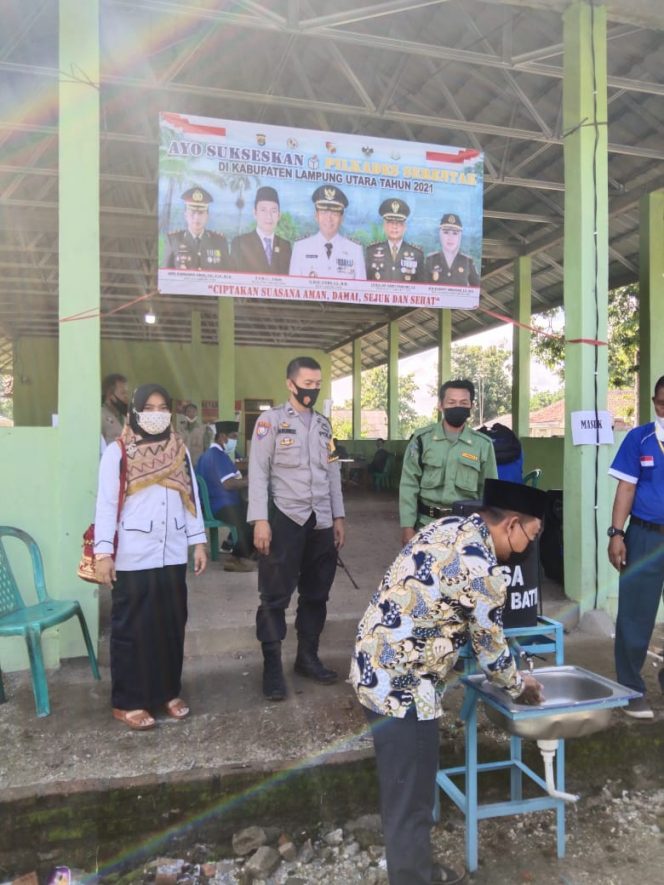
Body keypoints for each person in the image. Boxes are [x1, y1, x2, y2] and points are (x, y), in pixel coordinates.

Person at [350, 478, 547, 885]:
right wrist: (521, 686)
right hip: (404, 689)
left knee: (404, 786)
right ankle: (412, 877)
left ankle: (416, 868)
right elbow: (493, 654)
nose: (530, 546)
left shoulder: (446, 526)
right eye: (532, 535)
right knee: (411, 796)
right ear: (512, 524)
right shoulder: (484, 570)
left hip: (373, 664)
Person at [93, 383, 208, 730]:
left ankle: (167, 692)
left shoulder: (178, 450)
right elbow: (106, 504)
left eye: (162, 408)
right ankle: (129, 701)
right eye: (149, 408)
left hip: (171, 553)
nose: (156, 415)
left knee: (171, 625)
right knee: (133, 629)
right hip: (133, 555)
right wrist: (103, 552)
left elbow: (191, 498)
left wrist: (198, 542)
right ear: (135, 412)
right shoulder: (118, 452)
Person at [248, 356, 345, 701]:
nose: (312, 390)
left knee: (316, 594)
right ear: (290, 384)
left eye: (317, 384)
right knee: (274, 597)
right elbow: (258, 472)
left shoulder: (324, 425)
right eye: (307, 384)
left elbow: (333, 473)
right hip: (285, 519)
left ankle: (307, 658)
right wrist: (260, 519)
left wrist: (338, 516)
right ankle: (272, 666)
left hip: (321, 521)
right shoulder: (270, 421)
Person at [608, 374, 664, 719]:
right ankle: (630, 689)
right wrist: (616, 534)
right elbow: (626, 489)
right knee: (636, 614)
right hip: (645, 537)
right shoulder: (639, 439)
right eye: (663, 403)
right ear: (655, 402)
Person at [399, 379, 497, 547]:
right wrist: (407, 527)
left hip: (467, 529)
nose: (457, 407)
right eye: (451, 402)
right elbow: (409, 484)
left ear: (471, 406)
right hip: (426, 526)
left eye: (463, 403)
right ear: (440, 405)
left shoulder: (483, 445)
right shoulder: (422, 440)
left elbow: (490, 492)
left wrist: (488, 530)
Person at [196, 420, 256, 573]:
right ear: (222, 437)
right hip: (221, 505)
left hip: (214, 504)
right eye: (233, 437)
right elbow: (228, 484)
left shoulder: (208, 455)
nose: (235, 440)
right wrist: (250, 481)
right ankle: (237, 558)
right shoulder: (216, 455)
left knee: (251, 511)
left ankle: (243, 550)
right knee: (254, 517)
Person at [289, 186, 366, 280]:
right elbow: (293, 287)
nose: (329, 219)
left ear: (342, 218)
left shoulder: (355, 250)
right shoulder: (301, 247)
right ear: (316, 216)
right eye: (324, 212)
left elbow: (361, 288)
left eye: (334, 213)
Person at [164, 186, 229, 270]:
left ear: (207, 216)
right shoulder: (173, 240)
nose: (196, 217)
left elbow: (227, 272)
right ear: (185, 215)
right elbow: (166, 273)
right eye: (192, 213)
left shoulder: (219, 241)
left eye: (201, 213)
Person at [231, 186, 292, 274]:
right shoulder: (240, 243)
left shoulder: (285, 246)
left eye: (273, 211)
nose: (269, 216)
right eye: (263, 210)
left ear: (279, 215)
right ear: (255, 213)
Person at [366, 199, 424, 282]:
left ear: (405, 227)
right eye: (390, 222)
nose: (394, 227)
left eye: (399, 222)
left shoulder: (417, 254)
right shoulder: (371, 251)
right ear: (384, 226)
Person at [425, 213, 480, 287]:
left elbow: (477, 288)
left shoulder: (467, 262)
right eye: (446, 232)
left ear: (460, 236)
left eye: (455, 233)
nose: (450, 237)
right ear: (440, 234)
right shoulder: (431, 260)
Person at [177, 402, 212, 466]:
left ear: (197, 413)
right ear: (185, 414)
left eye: (193, 411)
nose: (191, 414)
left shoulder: (203, 429)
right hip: (184, 464)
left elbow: (206, 448)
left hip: (198, 464)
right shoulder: (180, 429)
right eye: (189, 411)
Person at [101, 373, 129, 445]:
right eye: (123, 393)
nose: (126, 396)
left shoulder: (126, 416)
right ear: (110, 395)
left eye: (126, 393)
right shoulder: (100, 416)